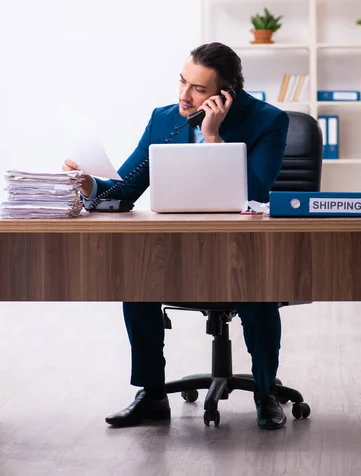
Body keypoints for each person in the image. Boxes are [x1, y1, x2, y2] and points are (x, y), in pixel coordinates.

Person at [63, 42, 290, 430]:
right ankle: (152, 395)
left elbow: (252, 193)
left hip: (242, 250)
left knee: (257, 287)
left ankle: (265, 392)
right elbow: (124, 190)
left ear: (227, 92)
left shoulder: (269, 121)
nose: (184, 96)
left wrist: (212, 135)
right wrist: (88, 184)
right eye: (183, 82)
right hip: (179, 250)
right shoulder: (163, 120)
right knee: (136, 283)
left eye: (199, 89)